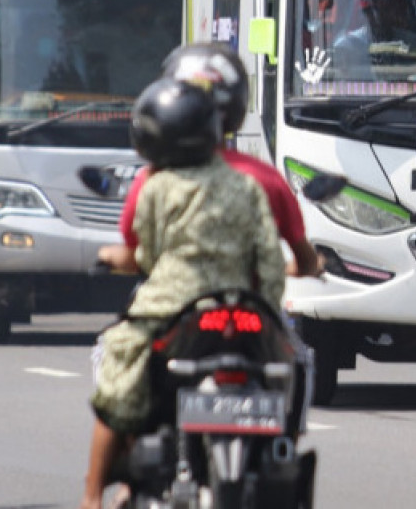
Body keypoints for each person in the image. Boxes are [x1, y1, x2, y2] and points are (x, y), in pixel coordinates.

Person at [79, 77, 288, 509]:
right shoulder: (246, 185)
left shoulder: (156, 186)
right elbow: (268, 258)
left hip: (171, 307)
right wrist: (266, 306)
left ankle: (93, 496)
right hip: (244, 307)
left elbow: (149, 257)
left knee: (117, 365)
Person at [96, 43, 322, 281]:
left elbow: (135, 253)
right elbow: (304, 258)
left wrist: (107, 255)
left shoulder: (151, 179)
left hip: (172, 307)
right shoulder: (265, 177)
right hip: (254, 305)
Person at [330, 0, 416, 80]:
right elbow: (342, 85)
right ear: (362, 14)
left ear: (394, 11)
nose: (378, 16)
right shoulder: (346, 47)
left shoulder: (412, 43)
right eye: (370, 10)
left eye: (384, 9)